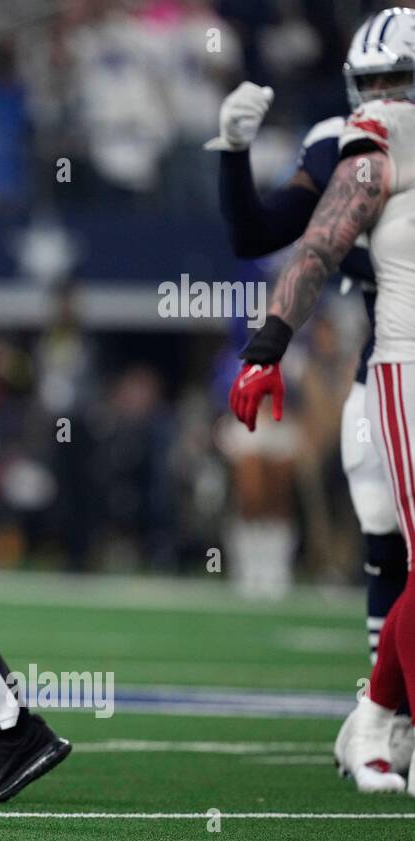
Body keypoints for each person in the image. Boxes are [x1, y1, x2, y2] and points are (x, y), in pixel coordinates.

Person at [226, 7, 415, 796]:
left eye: (398, 79)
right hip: (394, 367)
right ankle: (378, 719)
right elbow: (304, 237)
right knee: (387, 547)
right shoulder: (372, 137)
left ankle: (378, 720)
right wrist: (269, 345)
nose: (384, 96)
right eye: (375, 84)